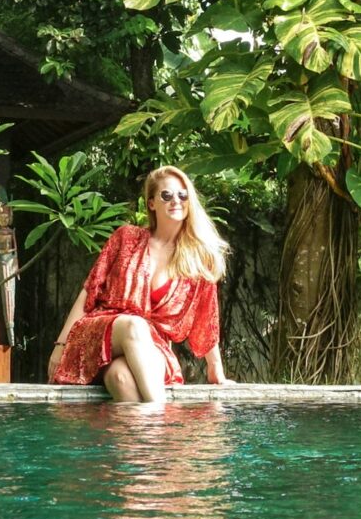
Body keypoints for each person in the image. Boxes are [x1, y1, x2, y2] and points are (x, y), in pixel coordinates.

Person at [48, 166, 230, 404]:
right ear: (152, 203)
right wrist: (61, 345)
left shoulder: (197, 258)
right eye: (167, 195)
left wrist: (215, 369)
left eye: (182, 195)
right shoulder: (126, 238)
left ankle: (145, 438)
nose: (176, 200)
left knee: (120, 378)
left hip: (151, 346)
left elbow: (207, 316)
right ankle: (162, 417)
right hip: (102, 331)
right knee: (134, 325)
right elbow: (89, 292)